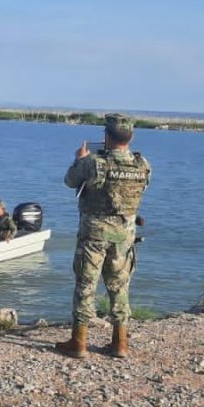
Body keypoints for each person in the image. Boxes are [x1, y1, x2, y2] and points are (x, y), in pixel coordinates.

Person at [56, 114, 151, 359]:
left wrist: (80, 159)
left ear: (107, 136)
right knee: (119, 287)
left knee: (86, 285)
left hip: (94, 235)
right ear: (131, 136)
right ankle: (120, 343)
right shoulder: (142, 165)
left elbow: (69, 181)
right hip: (124, 236)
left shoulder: (94, 163)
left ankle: (79, 342)